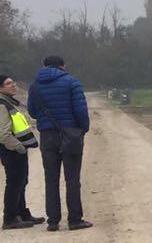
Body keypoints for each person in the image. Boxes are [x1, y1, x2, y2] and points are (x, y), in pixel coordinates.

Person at [27, 54, 91, 231]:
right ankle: (75, 220)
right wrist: (82, 130)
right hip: (70, 134)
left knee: (51, 179)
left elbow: (32, 111)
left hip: (47, 136)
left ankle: (53, 221)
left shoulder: (34, 86)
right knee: (72, 179)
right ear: (63, 65)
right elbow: (80, 110)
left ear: (44, 66)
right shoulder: (72, 82)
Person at [1, 75, 42, 229]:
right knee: (14, 183)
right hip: (11, 150)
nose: (13, 85)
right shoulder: (2, 105)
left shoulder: (10, 102)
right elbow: (3, 133)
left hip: (18, 150)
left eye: (13, 82)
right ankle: (10, 218)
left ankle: (22, 213)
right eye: (8, 83)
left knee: (21, 182)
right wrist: (19, 147)